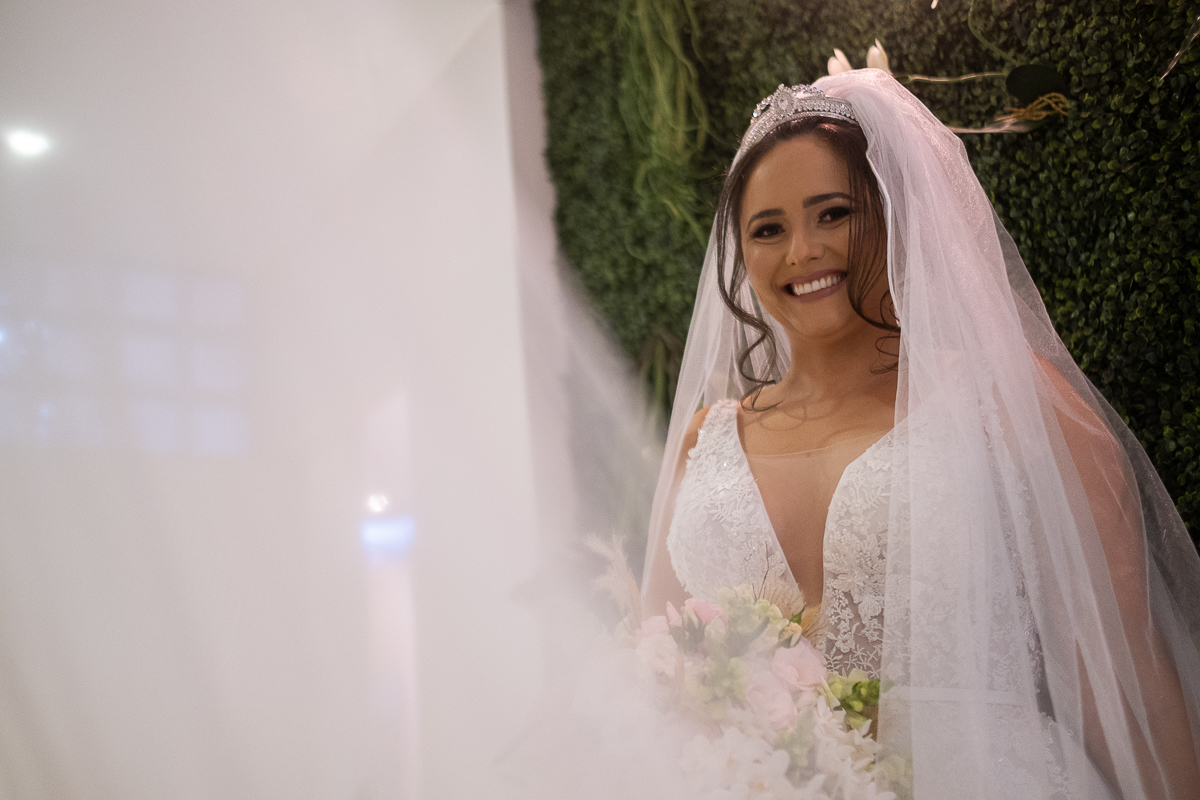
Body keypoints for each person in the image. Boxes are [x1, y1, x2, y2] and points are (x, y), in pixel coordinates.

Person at [640, 70, 1200, 799]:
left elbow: (1127, 681)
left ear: (891, 213)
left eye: (833, 213)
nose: (802, 250)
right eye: (767, 229)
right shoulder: (704, 442)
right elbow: (656, 679)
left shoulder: (1009, 401)